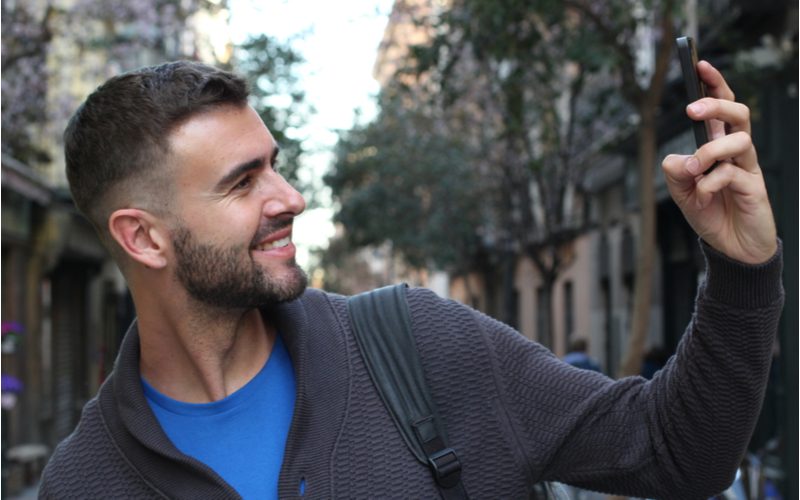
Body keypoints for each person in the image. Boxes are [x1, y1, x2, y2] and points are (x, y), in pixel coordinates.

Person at [39, 60, 783, 499]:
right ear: (143, 237)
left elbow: (678, 450)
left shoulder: (417, 345)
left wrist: (742, 266)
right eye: (243, 184)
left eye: (276, 162)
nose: (290, 198)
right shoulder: (83, 483)